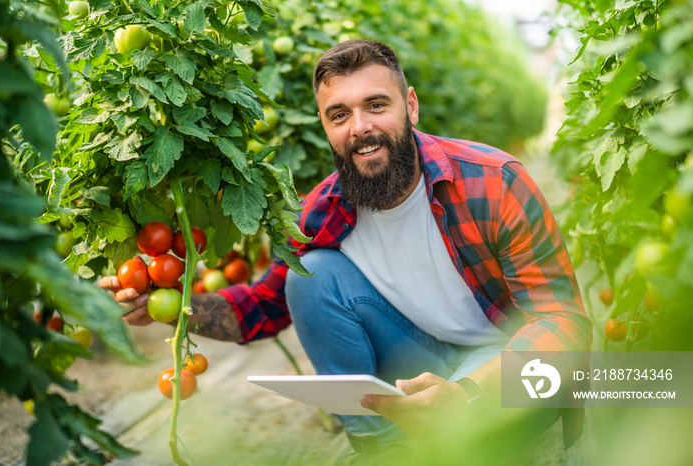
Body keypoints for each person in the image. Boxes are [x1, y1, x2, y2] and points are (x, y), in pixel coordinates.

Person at [102, 40, 591, 461]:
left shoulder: (492, 182)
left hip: (507, 376)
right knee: (310, 275)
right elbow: (263, 307)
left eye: (376, 105)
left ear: (411, 106)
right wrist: (166, 310)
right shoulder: (321, 211)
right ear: (325, 126)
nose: (359, 127)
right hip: (423, 366)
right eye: (340, 114)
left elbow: (563, 322)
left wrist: (467, 392)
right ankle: (384, 452)